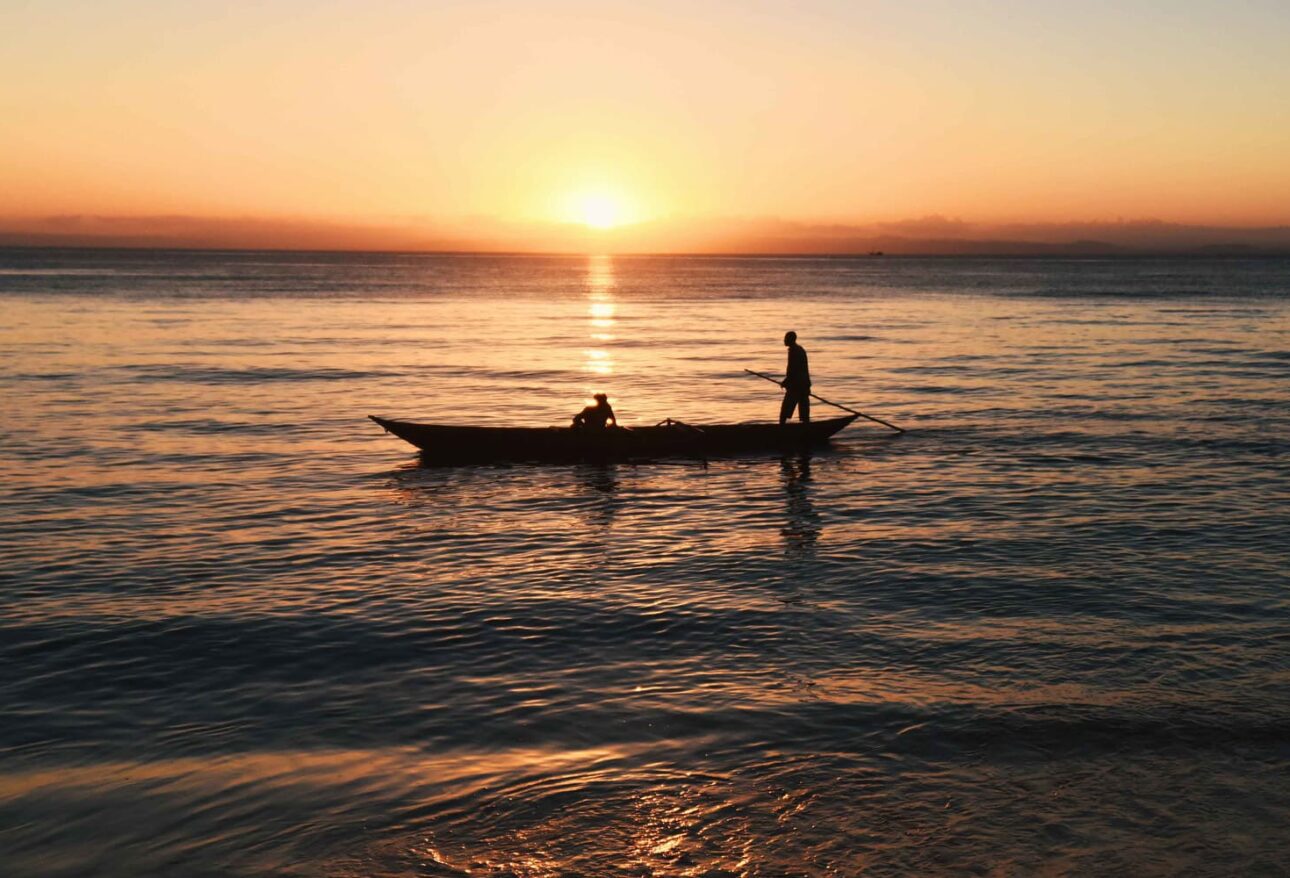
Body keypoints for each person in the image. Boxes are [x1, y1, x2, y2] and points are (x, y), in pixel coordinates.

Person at [779, 331, 811, 425]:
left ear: (791, 339)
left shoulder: (794, 351)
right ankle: (807, 430)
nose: (784, 340)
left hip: (796, 387)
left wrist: (785, 382)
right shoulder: (799, 349)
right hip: (804, 385)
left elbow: (793, 370)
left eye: (786, 338)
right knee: (804, 414)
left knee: (784, 412)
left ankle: (781, 430)